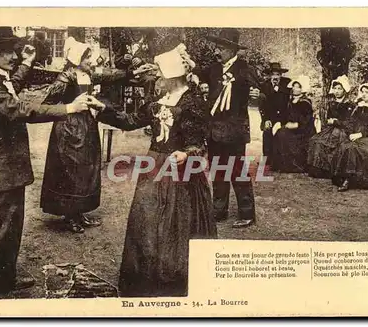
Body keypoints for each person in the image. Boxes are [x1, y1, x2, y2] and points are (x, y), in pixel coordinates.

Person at [0, 27, 99, 300]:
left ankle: (5, 279)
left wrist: (28, 62)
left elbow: (13, 87)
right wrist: (67, 109)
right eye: (10, 51)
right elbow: (19, 109)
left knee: (12, 224)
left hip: (11, 167)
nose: (15, 55)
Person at [96, 37, 216, 297]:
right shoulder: (158, 101)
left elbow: (199, 143)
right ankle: (147, 278)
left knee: (177, 223)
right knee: (148, 218)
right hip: (154, 165)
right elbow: (130, 120)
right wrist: (102, 108)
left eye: (160, 73)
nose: (156, 77)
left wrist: (186, 153)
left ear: (173, 76)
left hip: (180, 171)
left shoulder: (192, 103)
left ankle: (172, 280)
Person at [40, 37, 153, 233]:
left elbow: (111, 75)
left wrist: (133, 72)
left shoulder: (89, 74)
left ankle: (79, 212)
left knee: (86, 168)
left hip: (86, 125)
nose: (91, 61)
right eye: (87, 58)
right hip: (68, 129)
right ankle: (69, 215)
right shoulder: (66, 77)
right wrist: (70, 105)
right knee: (71, 171)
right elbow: (47, 103)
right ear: (76, 59)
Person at [196, 28, 262, 228]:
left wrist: (257, 97)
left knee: (237, 171)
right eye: (217, 47)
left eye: (222, 48)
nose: (218, 51)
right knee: (217, 170)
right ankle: (219, 211)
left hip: (234, 131)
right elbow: (197, 75)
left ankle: (247, 213)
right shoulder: (214, 69)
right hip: (214, 130)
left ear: (233, 50)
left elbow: (260, 92)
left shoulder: (245, 69)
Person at [331, 80, 368, 192]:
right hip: (358, 136)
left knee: (353, 148)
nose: (363, 94)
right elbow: (352, 122)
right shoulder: (359, 106)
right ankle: (344, 177)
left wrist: (360, 134)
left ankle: (348, 179)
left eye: (367, 92)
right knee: (343, 146)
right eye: (362, 92)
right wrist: (349, 131)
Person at [307, 75, 355, 178]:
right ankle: (318, 170)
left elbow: (349, 122)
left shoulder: (349, 105)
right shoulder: (332, 103)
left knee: (328, 143)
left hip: (343, 131)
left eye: (339, 89)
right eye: (335, 88)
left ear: (344, 90)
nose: (337, 91)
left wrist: (336, 121)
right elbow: (328, 119)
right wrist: (329, 122)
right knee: (315, 140)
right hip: (331, 129)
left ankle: (329, 171)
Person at [271, 75, 316, 173]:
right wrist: (281, 122)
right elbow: (286, 115)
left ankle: (293, 166)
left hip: (303, 131)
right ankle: (280, 164)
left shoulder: (305, 102)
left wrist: (296, 125)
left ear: (302, 89)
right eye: (294, 86)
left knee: (283, 134)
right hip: (292, 127)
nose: (295, 89)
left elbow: (306, 120)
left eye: (298, 87)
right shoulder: (291, 101)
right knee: (280, 132)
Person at [258, 61, 291, 170]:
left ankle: (279, 159)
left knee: (281, 133)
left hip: (284, 117)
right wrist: (265, 119)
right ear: (270, 75)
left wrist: (278, 89)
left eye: (278, 74)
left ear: (281, 75)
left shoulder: (287, 84)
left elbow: (287, 103)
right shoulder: (264, 85)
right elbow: (262, 105)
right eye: (273, 74)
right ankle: (267, 157)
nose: (275, 77)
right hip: (269, 117)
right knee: (267, 131)